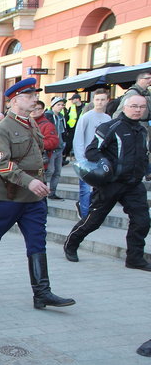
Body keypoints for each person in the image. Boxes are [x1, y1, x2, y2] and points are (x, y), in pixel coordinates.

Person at [0, 78, 75, 310]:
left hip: (33, 197)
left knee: (37, 241)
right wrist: (30, 182)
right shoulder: (3, 128)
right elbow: (4, 166)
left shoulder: (30, 123)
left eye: (35, 95)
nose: (35, 99)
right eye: (30, 96)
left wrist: (40, 183)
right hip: (8, 195)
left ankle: (42, 293)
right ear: (15, 101)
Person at [63, 94, 151, 271]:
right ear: (124, 107)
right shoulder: (112, 127)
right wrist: (105, 164)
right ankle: (71, 244)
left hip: (133, 184)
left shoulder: (142, 130)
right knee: (94, 221)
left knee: (142, 221)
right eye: (134, 106)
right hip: (110, 184)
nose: (138, 110)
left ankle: (134, 258)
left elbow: (142, 155)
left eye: (141, 107)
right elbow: (92, 151)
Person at [71, 88, 111, 218]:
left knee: (98, 189)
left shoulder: (107, 118)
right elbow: (78, 137)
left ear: (107, 101)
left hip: (100, 158)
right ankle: (84, 216)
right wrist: (80, 158)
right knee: (85, 190)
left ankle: (92, 213)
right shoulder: (86, 117)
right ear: (93, 100)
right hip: (86, 159)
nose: (100, 102)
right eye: (97, 99)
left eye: (102, 100)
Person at [30, 100, 61, 200]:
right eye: (32, 108)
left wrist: (36, 144)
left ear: (42, 110)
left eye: (37, 109)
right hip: (29, 162)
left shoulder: (47, 125)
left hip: (40, 163)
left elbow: (53, 142)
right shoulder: (28, 122)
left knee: (39, 193)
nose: (34, 111)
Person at [44, 97, 67, 198]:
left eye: (62, 105)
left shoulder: (61, 117)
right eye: (58, 105)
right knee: (50, 170)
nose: (61, 107)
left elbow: (63, 132)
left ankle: (52, 193)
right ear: (53, 105)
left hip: (60, 147)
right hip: (51, 148)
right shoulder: (48, 116)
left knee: (57, 172)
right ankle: (42, 191)